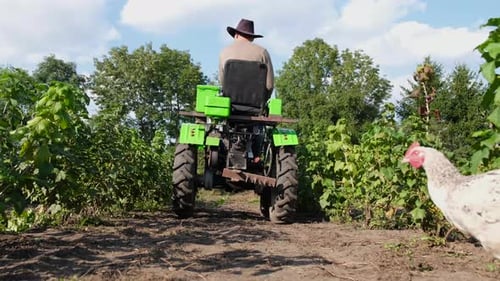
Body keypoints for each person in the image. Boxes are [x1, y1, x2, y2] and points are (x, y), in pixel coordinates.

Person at [219, 18, 274, 96]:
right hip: (255, 104)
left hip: (230, 101)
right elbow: (269, 85)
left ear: (236, 35)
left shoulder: (224, 52)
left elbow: (222, 81)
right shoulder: (262, 52)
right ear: (252, 38)